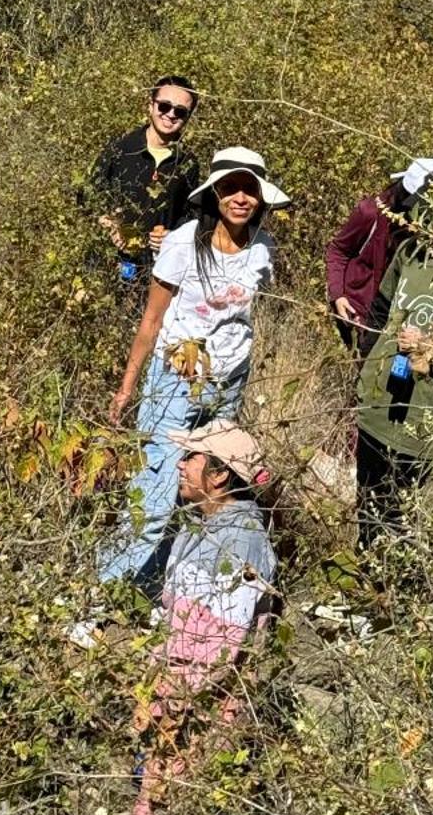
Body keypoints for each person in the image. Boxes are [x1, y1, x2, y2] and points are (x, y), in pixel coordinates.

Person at [96, 147, 288, 595]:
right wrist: (127, 387)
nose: (241, 198)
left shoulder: (264, 249)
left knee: (203, 489)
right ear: (214, 193)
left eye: (250, 189)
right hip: (175, 382)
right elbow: (152, 320)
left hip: (228, 383)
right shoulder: (184, 242)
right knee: (155, 493)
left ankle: (158, 587)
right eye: (231, 187)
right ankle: (102, 594)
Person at [125, 422, 277, 815]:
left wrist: (169, 703)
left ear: (218, 477)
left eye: (192, 457)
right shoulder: (204, 525)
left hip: (196, 711)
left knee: (162, 813)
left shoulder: (240, 544)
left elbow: (219, 654)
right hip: (173, 698)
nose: (180, 464)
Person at [353, 169, 433, 545]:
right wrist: (368, 365)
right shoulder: (409, 252)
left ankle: (395, 591)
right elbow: (380, 309)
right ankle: (366, 586)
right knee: (368, 508)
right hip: (376, 405)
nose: (426, 225)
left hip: (422, 419)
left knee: (402, 520)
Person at [85, 76, 202, 290]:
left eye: (180, 111)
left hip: (157, 273)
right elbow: (88, 194)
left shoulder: (187, 163)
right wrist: (108, 223)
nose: (170, 115)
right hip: (105, 264)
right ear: (151, 106)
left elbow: (191, 214)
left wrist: (173, 236)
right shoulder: (121, 149)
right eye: (164, 106)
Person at [326, 156, 433, 354]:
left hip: (394, 321)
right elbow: (338, 251)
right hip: (357, 315)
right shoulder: (371, 213)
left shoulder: (432, 229)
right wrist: (338, 295)